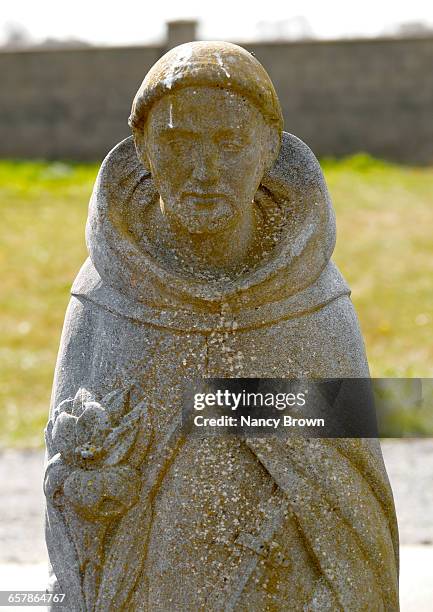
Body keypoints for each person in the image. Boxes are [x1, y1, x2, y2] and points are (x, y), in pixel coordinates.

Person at [45, 41, 399, 610]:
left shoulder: (309, 294)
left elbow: (353, 493)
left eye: (230, 143)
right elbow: (64, 480)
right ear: (141, 150)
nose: (205, 172)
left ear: (269, 150)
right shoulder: (109, 292)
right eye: (177, 143)